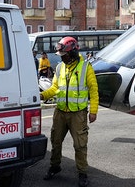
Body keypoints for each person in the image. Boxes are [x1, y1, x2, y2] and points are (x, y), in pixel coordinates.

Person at [40, 36, 99, 187]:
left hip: (77, 114)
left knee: (80, 145)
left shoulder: (86, 67)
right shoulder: (60, 67)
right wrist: (42, 95)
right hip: (60, 112)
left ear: (72, 52)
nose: (62, 58)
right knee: (56, 141)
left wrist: (93, 111)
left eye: (64, 55)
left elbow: (93, 90)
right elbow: (54, 88)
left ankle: (82, 173)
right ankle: (55, 167)